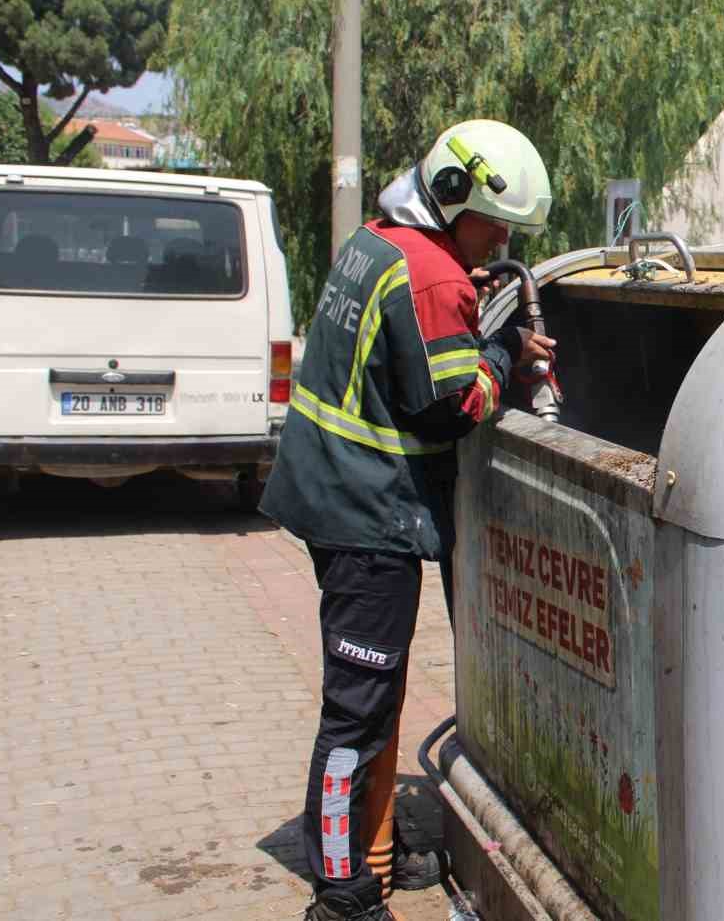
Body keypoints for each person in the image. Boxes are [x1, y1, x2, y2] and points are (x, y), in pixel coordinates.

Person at [260, 120, 557, 921]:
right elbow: (452, 406)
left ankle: (371, 848)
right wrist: (507, 359)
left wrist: (473, 295)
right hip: (366, 516)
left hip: (332, 494)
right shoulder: (430, 278)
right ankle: (345, 894)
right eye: (494, 221)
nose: (499, 238)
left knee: (376, 699)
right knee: (357, 712)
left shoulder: (380, 241)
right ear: (452, 196)